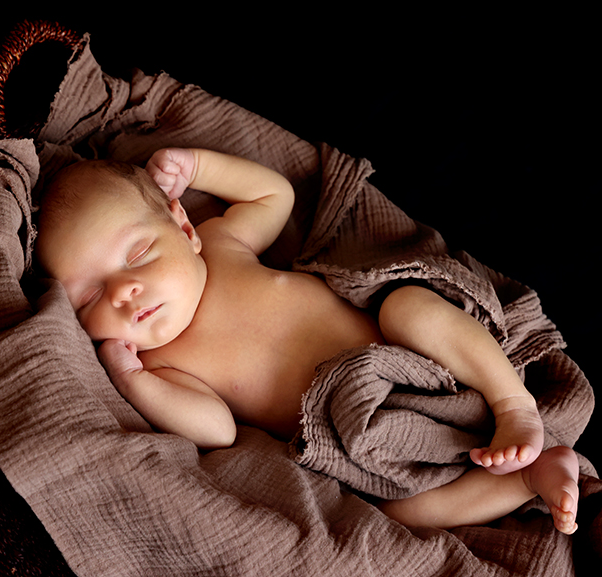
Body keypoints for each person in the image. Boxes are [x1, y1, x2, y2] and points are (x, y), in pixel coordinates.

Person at [35, 147, 580, 534]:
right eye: (89, 299)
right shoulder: (161, 361)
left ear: (183, 228)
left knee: (406, 306)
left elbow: (273, 193)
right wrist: (134, 380)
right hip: (368, 432)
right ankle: (528, 479)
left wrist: (200, 166)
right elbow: (216, 428)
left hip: (415, 357)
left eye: (136, 256)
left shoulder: (222, 246)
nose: (124, 293)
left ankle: (513, 402)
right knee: (397, 515)